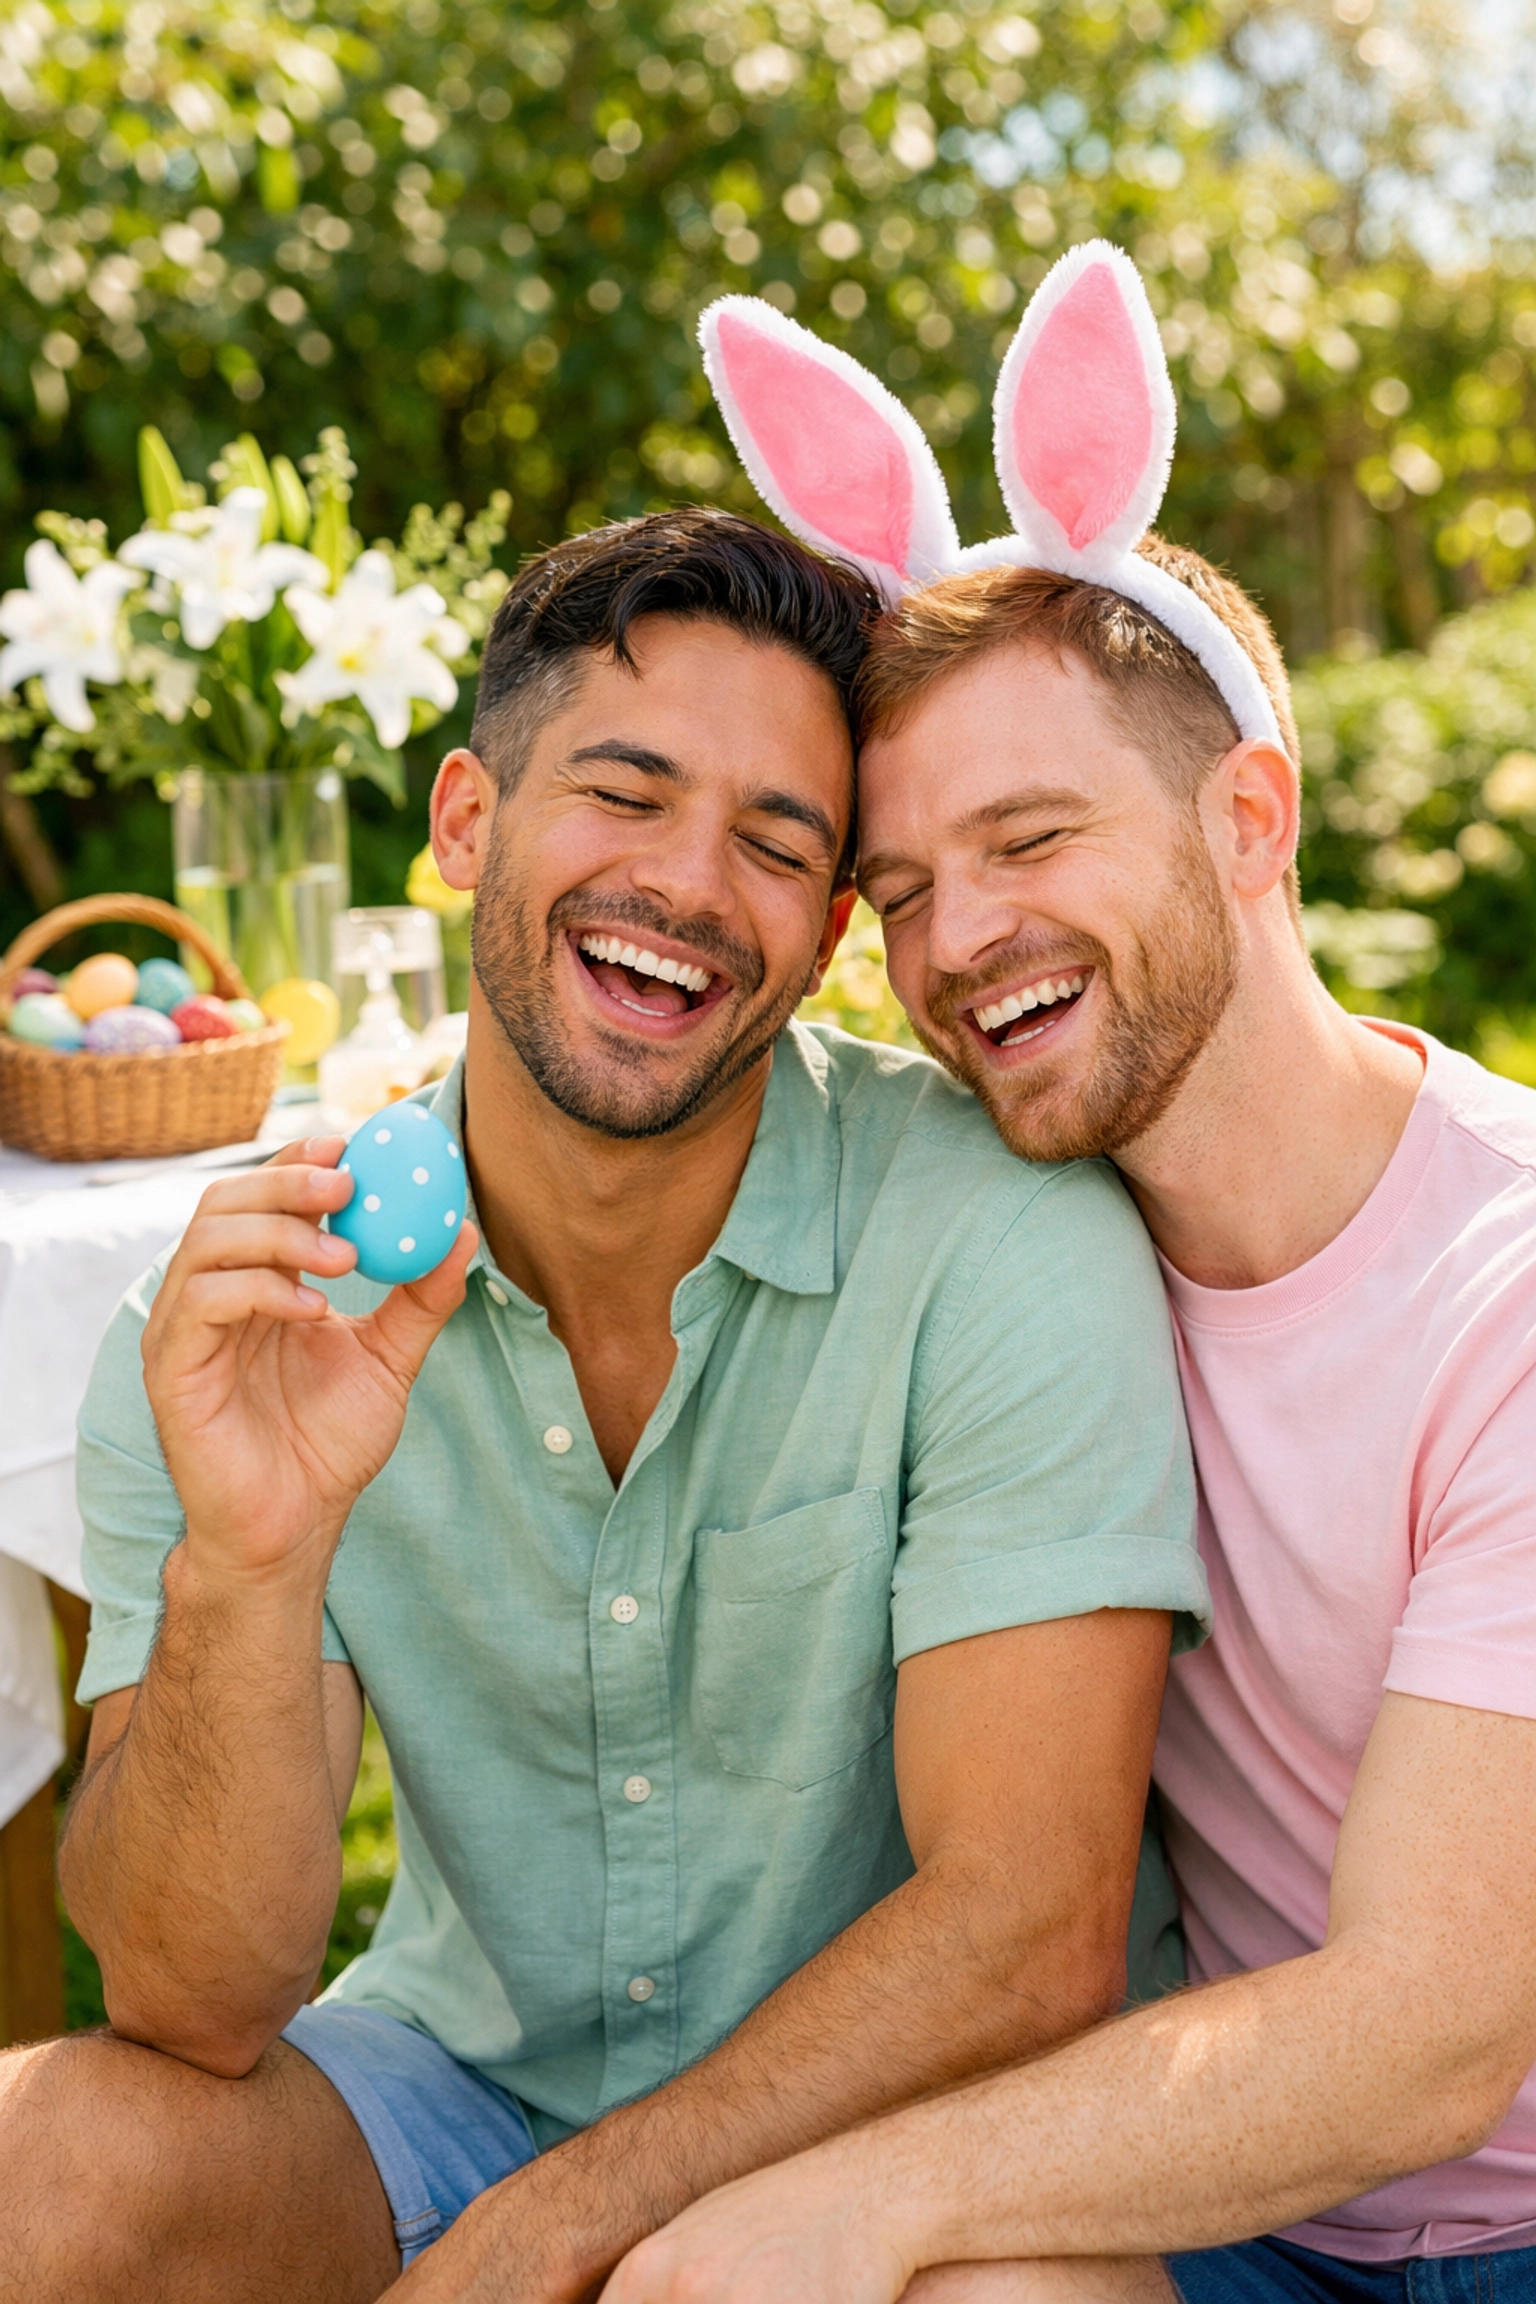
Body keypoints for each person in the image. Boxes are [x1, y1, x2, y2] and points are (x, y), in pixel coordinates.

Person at [0, 508, 1206, 2304]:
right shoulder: (249, 1310)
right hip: (465, 2090)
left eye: (777, 846)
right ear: (466, 824)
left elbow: (1023, 1940)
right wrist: (252, 1561)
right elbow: (187, 1999)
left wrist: (549, 2243)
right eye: (625, 796)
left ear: (819, 939)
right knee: (47, 2163)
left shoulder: (990, 1235)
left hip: (905, 2128)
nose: (692, 888)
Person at [601, 262, 1536, 2304]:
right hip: (1243, 2209)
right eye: (910, 890)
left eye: (1033, 839)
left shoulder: (1508, 1291)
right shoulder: (1010, 1238)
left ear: (1250, 818)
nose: (956, 946)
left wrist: (845, 2194)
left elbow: (1434, 2028)